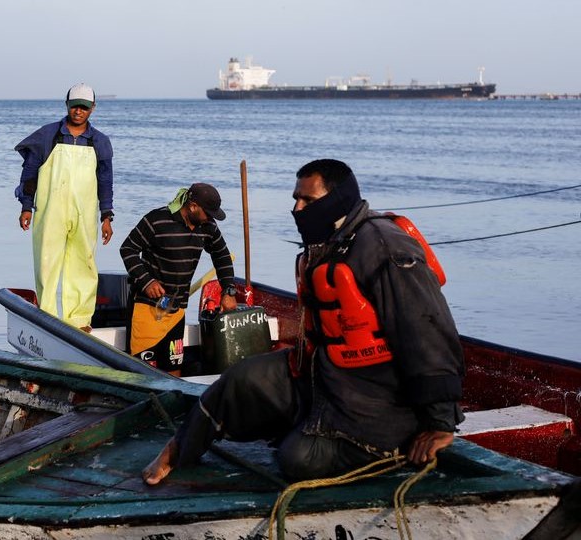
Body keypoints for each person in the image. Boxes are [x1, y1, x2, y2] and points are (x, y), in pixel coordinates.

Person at [142, 159, 464, 484]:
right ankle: (179, 448)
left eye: (307, 200)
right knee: (240, 378)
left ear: (337, 201)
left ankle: (386, 447)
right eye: (295, 198)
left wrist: (440, 422)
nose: (297, 208)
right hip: (318, 374)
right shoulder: (330, 241)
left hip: (374, 397)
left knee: (297, 459)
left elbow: (427, 329)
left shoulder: (383, 246)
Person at [14, 83, 115, 331]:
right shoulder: (47, 135)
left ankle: (79, 319)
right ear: (66, 105)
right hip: (50, 211)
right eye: (74, 106)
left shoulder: (100, 142)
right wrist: (26, 206)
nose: (78, 111)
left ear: (92, 108)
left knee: (83, 263)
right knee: (47, 261)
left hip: (85, 212)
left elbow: (105, 180)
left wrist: (107, 216)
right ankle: (47, 316)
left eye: (84, 107)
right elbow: (29, 173)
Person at [120, 183, 238, 376]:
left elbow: (221, 255)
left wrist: (229, 290)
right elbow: (128, 249)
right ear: (192, 206)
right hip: (146, 308)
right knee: (142, 371)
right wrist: (146, 281)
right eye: (208, 213)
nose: (210, 218)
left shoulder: (207, 227)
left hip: (177, 312)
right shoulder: (157, 220)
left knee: (174, 368)